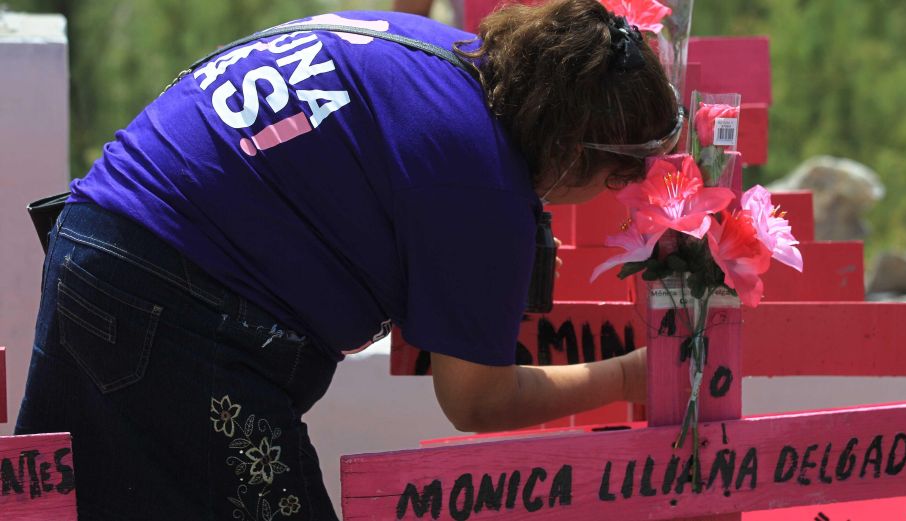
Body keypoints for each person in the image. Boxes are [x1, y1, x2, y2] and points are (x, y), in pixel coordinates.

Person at [15, 0, 679, 518]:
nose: (617, 193)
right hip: (176, 301)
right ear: (571, 148)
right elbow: (478, 398)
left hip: (93, 240)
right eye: (618, 174)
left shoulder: (439, 53)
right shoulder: (482, 176)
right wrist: (628, 376)